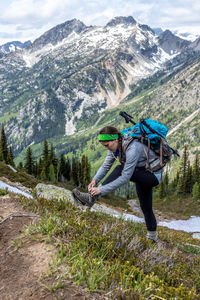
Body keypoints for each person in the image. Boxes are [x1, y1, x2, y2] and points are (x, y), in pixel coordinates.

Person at [72, 126, 162, 242]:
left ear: (115, 140)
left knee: (120, 169)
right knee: (145, 206)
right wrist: (95, 180)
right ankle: (152, 237)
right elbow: (106, 165)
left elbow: (125, 177)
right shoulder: (115, 148)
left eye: (107, 145)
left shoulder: (132, 148)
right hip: (141, 172)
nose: (106, 149)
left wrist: (101, 190)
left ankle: (91, 198)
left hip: (152, 176)